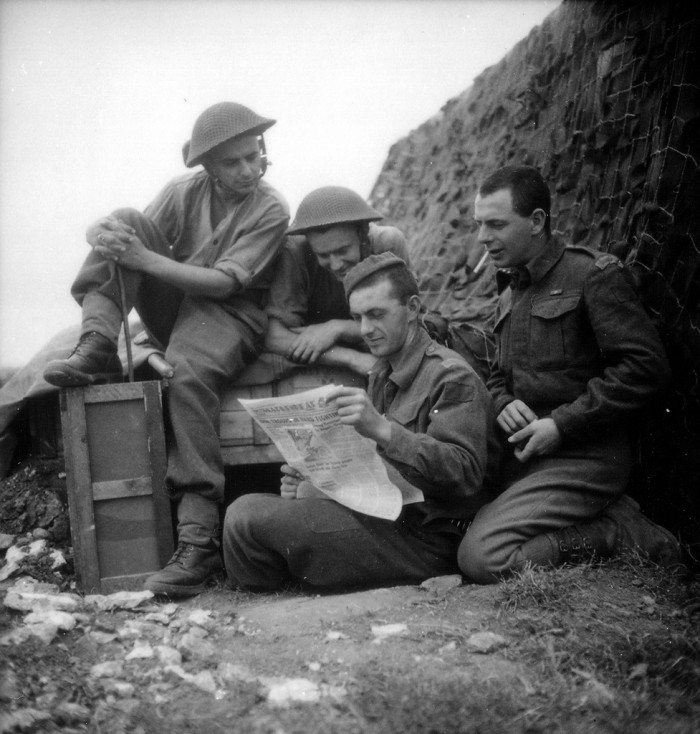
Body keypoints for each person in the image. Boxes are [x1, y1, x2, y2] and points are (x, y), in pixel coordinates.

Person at [43, 102, 290, 596]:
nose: (248, 169)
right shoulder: (184, 191)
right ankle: (98, 343)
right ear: (207, 167)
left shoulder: (271, 207)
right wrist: (101, 233)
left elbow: (222, 284)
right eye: (232, 162)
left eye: (254, 156)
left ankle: (197, 543)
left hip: (231, 312)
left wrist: (142, 258)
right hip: (179, 303)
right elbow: (127, 245)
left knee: (186, 373)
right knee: (126, 221)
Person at [457, 165, 683, 583]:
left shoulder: (592, 275)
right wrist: (503, 403)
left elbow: (645, 368)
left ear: (537, 221)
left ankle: (617, 532)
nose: (483, 238)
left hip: (586, 456)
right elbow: (494, 373)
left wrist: (561, 425)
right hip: (528, 456)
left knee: (482, 557)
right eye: (479, 225)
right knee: (444, 520)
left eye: (496, 224)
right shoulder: (510, 292)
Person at [223, 253, 501, 591]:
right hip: (387, 518)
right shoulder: (384, 371)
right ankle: (286, 581)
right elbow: (378, 471)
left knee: (245, 519)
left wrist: (383, 431)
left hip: (429, 539)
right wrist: (316, 480)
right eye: (358, 317)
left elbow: (465, 474)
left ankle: (276, 589)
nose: (366, 329)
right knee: (251, 509)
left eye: (376, 315)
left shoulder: (450, 375)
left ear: (413, 308)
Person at [263, 186, 410, 375]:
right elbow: (274, 337)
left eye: (342, 251)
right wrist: (351, 359)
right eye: (323, 255)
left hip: (374, 344)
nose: (335, 265)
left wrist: (338, 328)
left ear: (363, 234)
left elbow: (406, 321)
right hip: (327, 357)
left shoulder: (387, 243)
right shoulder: (294, 253)